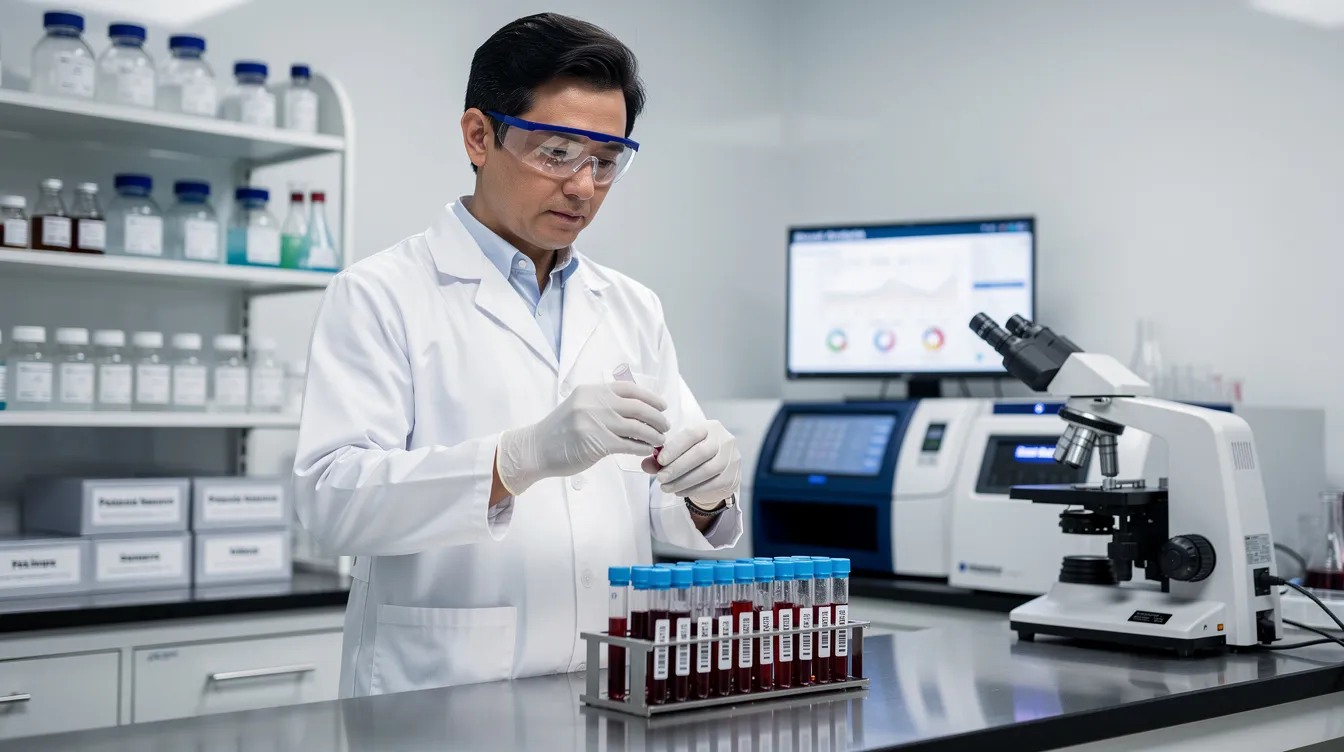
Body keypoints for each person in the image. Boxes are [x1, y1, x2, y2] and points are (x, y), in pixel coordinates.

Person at [293, 13, 743, 698]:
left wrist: (707, 495)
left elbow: (661, 500)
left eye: (605, 161)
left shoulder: (630, 306)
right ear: (480, 136)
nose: (584, 187)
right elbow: (331, 506)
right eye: (558, 153)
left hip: (611, 683)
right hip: (442, 694)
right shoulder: (381, 294)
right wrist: (512, 461)